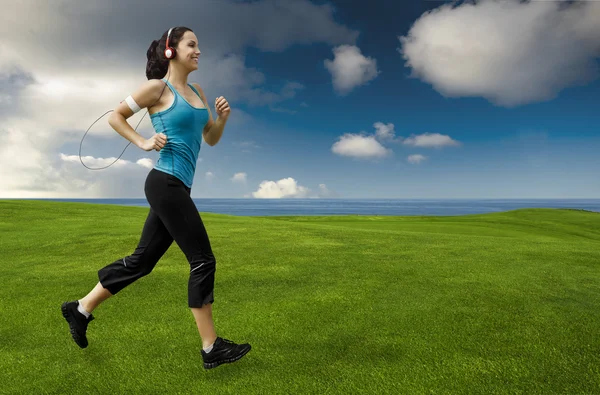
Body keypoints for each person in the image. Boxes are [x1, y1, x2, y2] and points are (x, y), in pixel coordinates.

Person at [61, 26, 251, 370]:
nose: (198, 51)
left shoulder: (198, 91)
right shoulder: (156, 89)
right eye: (191, 45)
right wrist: (144, 142)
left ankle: (80, 308)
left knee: (141, 262)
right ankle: (211, 348)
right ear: (171, 50)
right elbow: (116, 116)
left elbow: (210, 138)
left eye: (198, 46)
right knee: (203, 260)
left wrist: (222, 119)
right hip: (165, 183)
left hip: (179, 186)